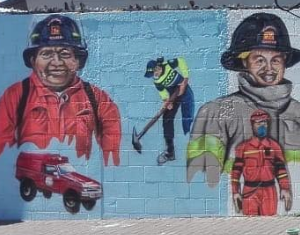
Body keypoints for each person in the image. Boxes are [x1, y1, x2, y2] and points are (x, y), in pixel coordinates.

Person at [187, 12, 300, 186]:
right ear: (244, 62)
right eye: (259, 60)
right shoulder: (214, 113)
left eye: (276, 60)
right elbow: (202, 181)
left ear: (285, 61)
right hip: (245, 200)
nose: (269, 68)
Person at [0, 15, 122, 165]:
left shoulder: (100, 101)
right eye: (46, 54)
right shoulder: (14, 97)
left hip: (79, 183)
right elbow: (3, 155)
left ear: (77, 61)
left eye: (65, 54)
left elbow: (112, 161)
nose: (57, 62)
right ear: (33, 60)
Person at [230, 109, 292, 215]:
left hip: (269, 191)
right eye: (258, 123)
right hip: (249, 192)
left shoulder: (274, 147)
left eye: (264, 122)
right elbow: (236, 172)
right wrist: (235, 192)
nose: (262, 125)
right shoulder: (243, 148)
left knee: (269, 223)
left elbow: (281, 171)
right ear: (252, 125)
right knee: (250, 224)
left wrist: (285, 189)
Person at [144, 57, 195, 165]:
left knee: (188, 117)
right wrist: (167, 101)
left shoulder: (167, 65)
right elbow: (163, 93)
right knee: (166, 118)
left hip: (184, 89)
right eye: (153, 74)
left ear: (158, 67)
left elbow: (181, 60)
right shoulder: (157, 81)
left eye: (155, 71)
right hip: (173, 95)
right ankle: (170, 151)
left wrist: (185, 79)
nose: (155, 74)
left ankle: (194, 143)